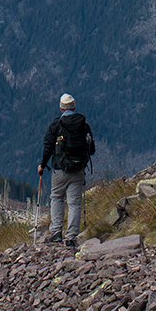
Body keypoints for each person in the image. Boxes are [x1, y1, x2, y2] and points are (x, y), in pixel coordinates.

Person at [38, 94, 95, 246]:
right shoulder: (84, 126)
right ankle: (71, 237)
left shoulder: (56, 125)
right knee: (74, 203)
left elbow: (48, 147)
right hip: (78, 170)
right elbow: (92, 149)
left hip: (60, 169)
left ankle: (56, 232)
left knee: (57, 198)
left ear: (61, 108)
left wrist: (42, 165)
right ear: (74, 107)